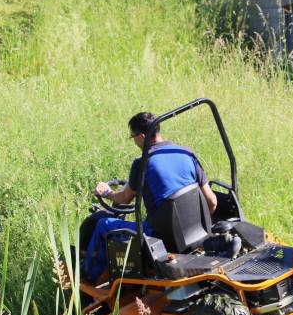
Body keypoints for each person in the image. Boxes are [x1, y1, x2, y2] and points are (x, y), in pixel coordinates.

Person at [83, 111, 217, 282]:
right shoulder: (186, 153)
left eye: (132, 137)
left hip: (160, 237)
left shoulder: (142, 163)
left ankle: (87, 282)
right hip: (198, 233)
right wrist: (202, 228)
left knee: (103, 224)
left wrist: (106, 192)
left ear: (141, 136)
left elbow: (124, 198)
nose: (134, 142)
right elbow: (212, 202)